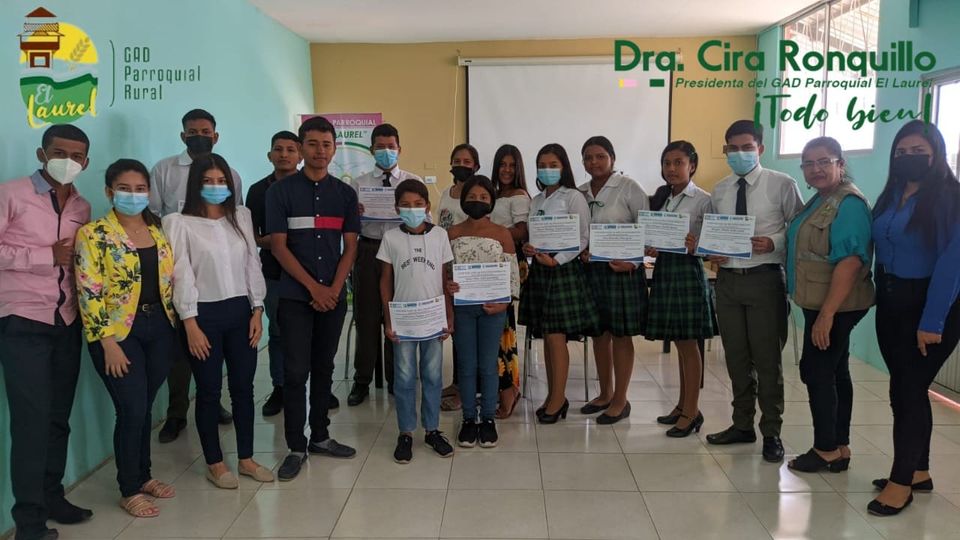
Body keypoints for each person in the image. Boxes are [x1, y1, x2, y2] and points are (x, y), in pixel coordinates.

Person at [0, 124, 93, 540]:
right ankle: (29, 522)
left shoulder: (82, 206)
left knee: (57, 419)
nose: (67, 161)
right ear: (42, 154)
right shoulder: (11, 194)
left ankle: (53, 497)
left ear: (86, 162)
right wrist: (44, 256)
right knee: (31, 423)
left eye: (76, 156)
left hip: (66, 322)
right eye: (59, 152)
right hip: (23, 321)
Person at [691, 120, 803, 463]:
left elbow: (799, 228)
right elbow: (714, 232)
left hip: (764, 279)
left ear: (760, 149)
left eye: (746, 147)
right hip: (728, 282)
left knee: (767, 360)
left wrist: (775, 241)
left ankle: (772, 431)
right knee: (736, 357)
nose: (739, 154)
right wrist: (711, 250)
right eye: (733, 148)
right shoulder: (721, 189)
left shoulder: (782, 184)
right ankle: (742, 424)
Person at [75, 159, 179, 517]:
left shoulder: (158, 229)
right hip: (118, 333)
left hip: (160, 327)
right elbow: (88, 291)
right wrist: (107, 343)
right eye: (124, 189)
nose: (133, 195)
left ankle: (144, 475)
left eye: (140, 189)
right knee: (131, 407)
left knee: (145, 405)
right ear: (109, 192)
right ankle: (129, 488)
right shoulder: (94, 234)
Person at [162, 153, 273, 488]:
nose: (215, 187)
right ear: (195, 184)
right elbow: (181, 273)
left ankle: (246, 459)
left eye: (221, 181)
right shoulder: (179, 222)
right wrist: (190, 323)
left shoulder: (240, 216)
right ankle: (215, 462)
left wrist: (257, 310)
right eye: (207, 181)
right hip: (202, 316)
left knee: (243, 388)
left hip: (241, 312)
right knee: (209, 391)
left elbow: (252, 264)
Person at [869, 120, 960, 516]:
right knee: (905, 389)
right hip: (891, 302)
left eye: (918, 152)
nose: (909, 158)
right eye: (901, 152)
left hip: (931, 306)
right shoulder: (892, 194)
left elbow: (953, 264)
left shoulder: (951, 197)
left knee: (908, 391)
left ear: (936, 154)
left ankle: (901, 481)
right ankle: (919, 470)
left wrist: (932, 322)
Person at [266, 116, 359, 481]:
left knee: (324, 367)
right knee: (294, 371)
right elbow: (278, 247)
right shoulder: (280, 193)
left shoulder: (345, 195)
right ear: (302, 148)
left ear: (334, 149)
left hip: (333, 297)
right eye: (313, 144)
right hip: (294, 296)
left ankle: (320, 436)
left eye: (326, 144)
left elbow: (350, 247)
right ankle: (295, 445)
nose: (320, 151)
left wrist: (333, 289)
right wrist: (313, 288)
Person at [150, 108, 241, 442]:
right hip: (176, 269)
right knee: (182, 349)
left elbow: (233, 220)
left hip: (217, 275)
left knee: (214, 347)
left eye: (205, 131)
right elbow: (153, 215)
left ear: (216, 136)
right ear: (183, 136)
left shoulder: (230, 173)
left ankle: (212, 403)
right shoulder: (164, 170)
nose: (199, 136)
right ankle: (177, 413)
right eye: (192, 132)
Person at [784, 137, 873, 474]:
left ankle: (825, 449)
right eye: (808, 163)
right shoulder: (821, 199)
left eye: (824, 161)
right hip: (821, 301)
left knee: (817, 371)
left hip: (836, 305)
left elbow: (850, 261)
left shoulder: (848, 203)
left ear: (841, 164)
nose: (816, 169)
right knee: (835, 370)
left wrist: (827, 314)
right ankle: (840, 445)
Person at [246, 130, 329, 416]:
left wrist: (289, 237)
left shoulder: (314, 186)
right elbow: (255, 236)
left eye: (290, 150)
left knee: (317, 332)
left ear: (300, 154)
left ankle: (321, 387)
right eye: (278, 149)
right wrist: (283, 240)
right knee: (280, 332)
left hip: (315, 271)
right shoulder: (258, 191)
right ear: (269, 154)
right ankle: (281, 387)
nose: (284, 155)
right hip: (275, 273)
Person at [519, 143, 598, 424]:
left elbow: (583, 237)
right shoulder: (536, 200)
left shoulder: (573, 197)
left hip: (562, 270)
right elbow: (533, 234)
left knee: (556, 337)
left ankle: (557, 398)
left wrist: (558, 260)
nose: (547, 170)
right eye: (542, 165)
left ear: (563, 167)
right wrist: (529, 248)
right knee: (546, 335)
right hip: (540, 270)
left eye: (553, 165)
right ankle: (554, 396)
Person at [379, 179, 456, 463]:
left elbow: (445, 278)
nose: (412, 209)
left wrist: (449, 314)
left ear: (427, 206)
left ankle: (432, 429)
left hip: (433, 318)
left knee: (433, 376)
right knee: (404, 378)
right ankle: (406, 432)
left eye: (418, 204)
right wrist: (388, 319)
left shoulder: (440, 236)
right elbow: (385, 281)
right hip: (404, 320)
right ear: (396, 208)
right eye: (405, 205)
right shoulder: (390, 238)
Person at [348, 123, 423, 406]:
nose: (386, 152)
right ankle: (362, 380)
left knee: (398, 315)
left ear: (399, 149)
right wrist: (355, 215)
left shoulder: (412, 182)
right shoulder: (359, 184)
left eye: (391, 147)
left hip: (401, 251)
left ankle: (397, 378)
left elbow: (425, 220)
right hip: (368, 250)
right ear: (371, 150)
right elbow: (348, 226)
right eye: (380, 147)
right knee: (366, 317)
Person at [646, 141, 717, 437]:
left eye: (678, 162)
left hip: (688, 272)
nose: (671, 169)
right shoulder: (663, 197)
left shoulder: (703, 200)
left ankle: (692, 411)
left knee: (689, 344)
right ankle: (682, 404)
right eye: (667, 163)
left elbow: (713, 245)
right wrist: (650, 245)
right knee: (678, 340)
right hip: (665, 270)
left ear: (692, 165)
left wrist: (696, 246)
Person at [578, 136, 649, 425]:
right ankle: (605, 393)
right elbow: (578, 231)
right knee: (599, 333)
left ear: (612, 158)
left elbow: (646, 228)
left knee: (620, 334)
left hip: (622, 271)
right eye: (588, 157)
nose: (594, 162)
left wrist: (633, 262)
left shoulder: (630, 187)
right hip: (592, 271)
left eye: (600, 156)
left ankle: (621, 398)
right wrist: (581, 250)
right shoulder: (580, 192)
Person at [446, 176, 520, 447]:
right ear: (463, 200)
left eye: (483, 197)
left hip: (493, 308)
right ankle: (468, 418)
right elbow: (444, 271)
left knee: (489, 365)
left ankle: (487, 418)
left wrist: (505, 302)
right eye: (472, 197)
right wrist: (447, 284)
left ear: (492, 201)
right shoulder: (451, 232)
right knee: (466, 366)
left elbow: (513, 274)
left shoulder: (502, 233)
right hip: (462, 307)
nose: (477, 201)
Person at [438, 144, 481, 411]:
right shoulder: (446, 193)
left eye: (467, 161)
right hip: (449, 266)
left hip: (472, 271)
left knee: (470, 332)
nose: (461, 165)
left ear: (476, 166)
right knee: (456, 329)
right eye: (457, 160)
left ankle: (469, 390)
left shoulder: (479, 195)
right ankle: (457, 382)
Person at [489, 144, 530, 418]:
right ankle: (498, 387)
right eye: (502, 164)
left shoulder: (519, 195)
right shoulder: (493, 193)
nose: (506, 170)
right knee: (493, 328)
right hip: (489, 266)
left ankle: (510, 390)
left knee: (504, 330)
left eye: (512, 165)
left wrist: (490, 233)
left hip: (507, 265)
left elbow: (522, 231)